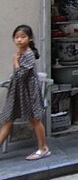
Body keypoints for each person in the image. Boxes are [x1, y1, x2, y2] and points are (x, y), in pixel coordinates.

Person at [0, 25, 50, 160]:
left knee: (34, 119)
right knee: (7, 120)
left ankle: (43, 148)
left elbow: (21, 74)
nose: (19, 40)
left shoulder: (28, 54)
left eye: (23, 37)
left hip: (28, 92)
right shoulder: (20, 53)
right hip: (18, 91)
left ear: (30, 38)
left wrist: (15, 62)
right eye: (16, 37)